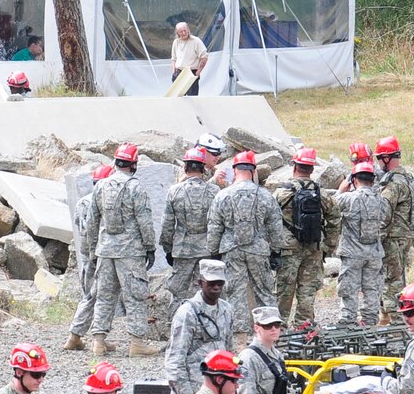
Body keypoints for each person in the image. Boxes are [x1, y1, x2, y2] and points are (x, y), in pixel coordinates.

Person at [88, 143, 162, 357]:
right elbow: (145, 222)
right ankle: (137, 344)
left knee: (104, 296)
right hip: (130, 252)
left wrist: (94, 250)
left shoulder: (101, 186)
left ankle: (98, 343)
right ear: (134, 164)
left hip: (105, 251)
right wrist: (150, 247)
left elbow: (92, 222)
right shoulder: (135, 188)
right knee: (135, 296)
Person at [210, 152, 280, 344]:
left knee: (235, 292)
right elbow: (275, 227)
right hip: (258, 249)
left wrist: (214, 251)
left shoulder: (222, 195)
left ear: (235, 170)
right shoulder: (265, 196)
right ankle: (270, 336)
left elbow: (215, 226)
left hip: (231, 250)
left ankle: (240, 339)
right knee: (265, 292)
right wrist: (276, 251)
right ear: (253, 170)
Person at [165, 260, 235, 394]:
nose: (216, 287)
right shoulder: (187, 313)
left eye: (220, 283)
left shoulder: (227, 310)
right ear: (200, 282)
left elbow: (228, 353)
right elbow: (175, 362)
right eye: (211, 283)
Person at [273, 148, 333, 325]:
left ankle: (279, 328)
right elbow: (335, 217)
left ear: (294, 166)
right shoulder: (321, 193)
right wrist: (328, 245)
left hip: (288, 249)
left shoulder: (282, 193)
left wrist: (273, 246)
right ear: (312, 169)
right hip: (313, 248)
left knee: (284, 291)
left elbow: (268, 219)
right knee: (307, 291)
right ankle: (304, 327)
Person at [160, 149, 221, 309]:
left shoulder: (174, 191)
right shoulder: (214, 191)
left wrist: (168, 249)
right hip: (206, 250)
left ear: (186, 167)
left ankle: (176, 326)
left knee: (178, 293)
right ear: (203, 168)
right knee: (203, 291)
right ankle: (203, 327)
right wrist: (216, 250)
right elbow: (219, 223)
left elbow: (167, 225)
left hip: (182, 251)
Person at [333, 160, 389, 325]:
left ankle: (348, 322)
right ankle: (370, 322)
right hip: (374, 253)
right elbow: (386, 218)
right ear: (372, 181)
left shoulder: (348, 199)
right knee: (372, 289)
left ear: (354, 180)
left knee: (349, 290)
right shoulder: (381, 201)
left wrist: (341, 190)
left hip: (352, 253)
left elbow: (331, 207)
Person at [63, 165, 110, 353]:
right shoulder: (104, 201)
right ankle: (81, 336)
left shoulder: (82, 202)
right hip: (101, 251)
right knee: (100, 295)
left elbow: (77, 225)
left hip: (86, 252)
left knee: (91, 294)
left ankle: (80, 336)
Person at [375, 138, 414, 317]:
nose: (378, 162)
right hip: (405, 235)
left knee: (391, 279)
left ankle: (394, 320)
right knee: (398, 277)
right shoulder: (408, 178)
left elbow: (384, 214)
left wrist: (376, 237)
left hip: (393, 238)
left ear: (386, 158)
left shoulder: (393, 184)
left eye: (379, 158)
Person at [170, 21, 209, 94]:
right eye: (181, 32)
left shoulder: (196, 41)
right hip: (178, 73)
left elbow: (204, 57)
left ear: (188, 30)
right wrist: (174, 72)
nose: (184, 33)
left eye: (185, 30)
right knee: (177, 98)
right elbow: (174, 59)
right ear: (177, 32)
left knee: (192, 99)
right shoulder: (176, 42)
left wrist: (197, 73)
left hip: (191, 73)